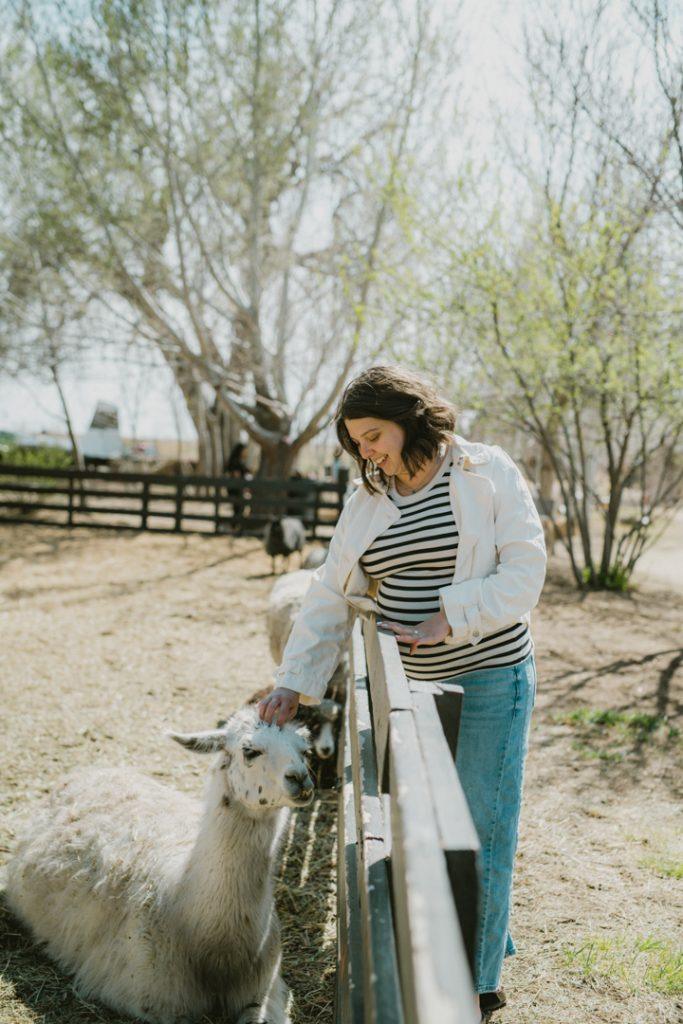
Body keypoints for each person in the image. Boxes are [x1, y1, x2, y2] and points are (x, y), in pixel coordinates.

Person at [258, 365, 546, 1020]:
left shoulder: (484, 471)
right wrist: (291, 685)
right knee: (427, 820)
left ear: (411, 419)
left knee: (480, 822)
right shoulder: (370, 498)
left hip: (487, 674)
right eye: (355, 441)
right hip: (409, 684)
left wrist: (452, 615)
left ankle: (475, 983)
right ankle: (475, 932)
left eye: (374, 435)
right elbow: (330, 594)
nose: (366, 451)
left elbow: (525, 569)